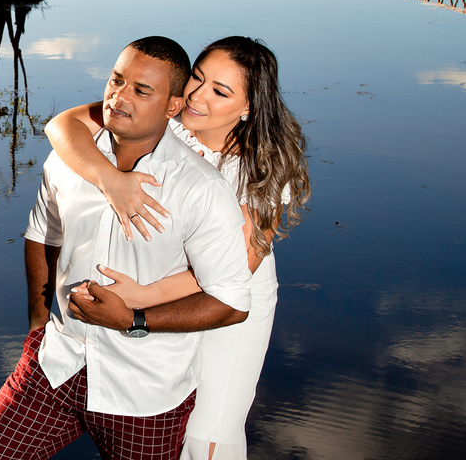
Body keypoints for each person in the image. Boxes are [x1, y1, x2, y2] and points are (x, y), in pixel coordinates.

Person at [0, 37, 253, 460]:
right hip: (56, 364)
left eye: (142, 90)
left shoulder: (201, 188)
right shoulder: (69, 159)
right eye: (116, 80)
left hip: (144, 392)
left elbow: (232, 302)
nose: (119, 97)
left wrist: (133, 320)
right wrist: (38, 324)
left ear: (173, 106)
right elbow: (43, 235)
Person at [44, 36, 310, 460]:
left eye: (219, 91)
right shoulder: (168, 122)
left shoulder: (260, 168)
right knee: (163, 413)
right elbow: (61, 127)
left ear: (248, 107)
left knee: (209, 428)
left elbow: (240, 266)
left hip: (225, 302)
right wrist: (109, 179)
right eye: (197, 79)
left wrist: (143, 297)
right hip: (155, 286)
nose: (197, 96)